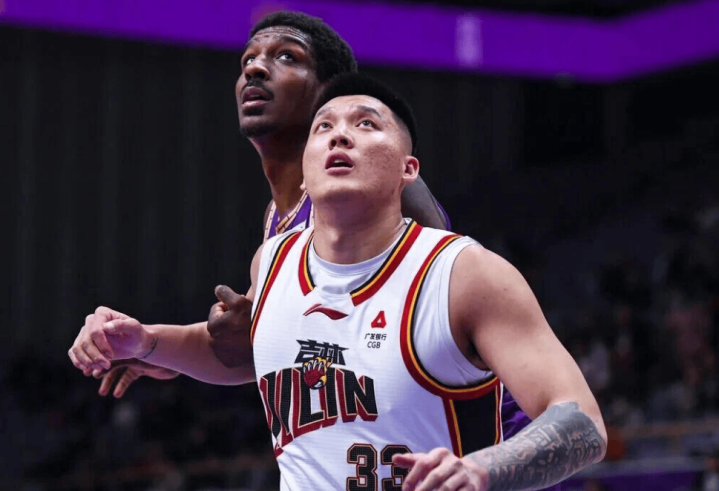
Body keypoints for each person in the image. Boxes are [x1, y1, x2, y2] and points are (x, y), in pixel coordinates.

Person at [70, 73, 606, 490]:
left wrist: (483, 469)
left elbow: (583, 423)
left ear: (408, 169)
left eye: (367, 124)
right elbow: (254, 354)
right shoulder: (272, 261)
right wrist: (147, 341)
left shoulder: (464, 274)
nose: (340, 134)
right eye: (323, 127)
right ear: (305, 172)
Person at [74, 10, 448, 397]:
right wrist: (145, 342)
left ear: (331, 92)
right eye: (248, 60)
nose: (254, 69)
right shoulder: (277, 223)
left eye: (286, 56)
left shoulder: (378, 180)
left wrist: (273, 333)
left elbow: (439, 310)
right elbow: (244, 355)